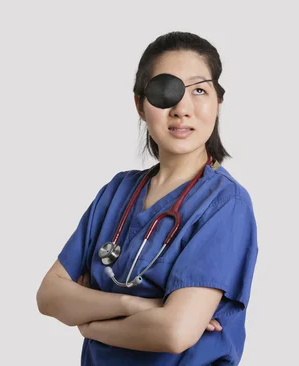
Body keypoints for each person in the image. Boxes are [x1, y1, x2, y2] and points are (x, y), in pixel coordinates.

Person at [36, 31, 259, 366]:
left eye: (199, 90)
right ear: (141, 104)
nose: (182, 109)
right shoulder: (117, 192)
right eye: (165, 90)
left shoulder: (226, 205)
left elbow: (175, 333)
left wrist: (88, 323)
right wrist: (137, 306)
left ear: (218, 102)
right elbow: (50, 296)